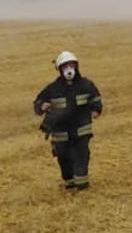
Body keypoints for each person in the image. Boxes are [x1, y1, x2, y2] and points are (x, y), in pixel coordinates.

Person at [33, 51, 103, 192]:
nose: (69, 70)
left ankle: (82, 186)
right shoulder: (52, 89)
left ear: (76, 67)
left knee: (81, 156)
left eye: (71, 66)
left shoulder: (86, 85)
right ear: (59, 70)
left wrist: (96, 110)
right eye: (65, 67)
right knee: (64, 159)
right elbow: (38, 102)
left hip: (81, 131)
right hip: (61, 134)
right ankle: (70, 184)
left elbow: (96, 98)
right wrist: (42, 106)